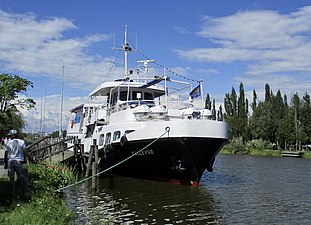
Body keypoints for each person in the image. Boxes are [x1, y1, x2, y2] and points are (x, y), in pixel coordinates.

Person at [4, 130, 36, 198]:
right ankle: (22, 193)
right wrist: (31, 160)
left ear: (12, 135)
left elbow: (6, 154)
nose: (9, 136)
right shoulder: (22, 142)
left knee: (11, 178)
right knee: (21, 177)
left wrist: (6, 164)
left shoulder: (8, 142)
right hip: (19, 162)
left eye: (10, 135)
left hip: (11, 162)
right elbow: (25, 152)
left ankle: (13, 193)